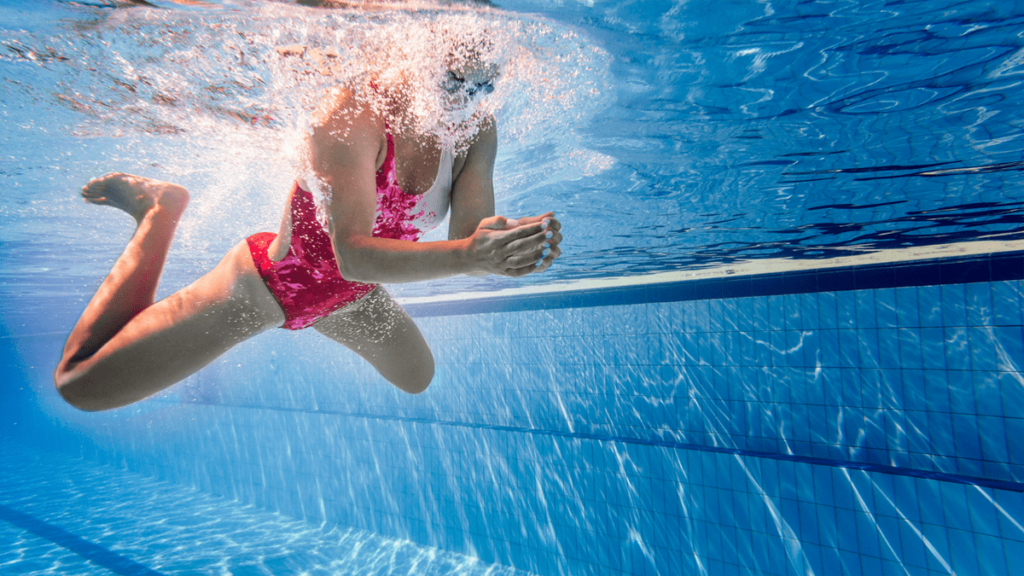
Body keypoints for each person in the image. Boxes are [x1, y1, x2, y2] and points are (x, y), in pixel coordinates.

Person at [53, 37, 563, 412]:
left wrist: (506, 247)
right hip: (268, 284)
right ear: (416, 54)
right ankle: (159, 210)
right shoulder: (355, 113)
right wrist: (473, 256)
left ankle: (325, 311)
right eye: (455, 81)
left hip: (351, 295)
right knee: (81, 386)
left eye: (483, 86)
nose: (465, 100)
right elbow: (355, 254)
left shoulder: (477, 128)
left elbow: (469, 241)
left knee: (418, 378)